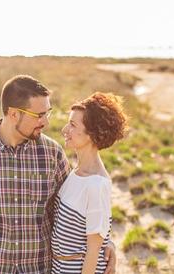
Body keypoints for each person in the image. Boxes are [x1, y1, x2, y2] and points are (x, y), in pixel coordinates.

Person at [0, 75, 117, 273]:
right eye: (39, 115)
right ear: (14, 114)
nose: (45, 122)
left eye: (47, 113)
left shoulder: (52, 154)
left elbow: (73, 211)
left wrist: (105, 243)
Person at [51, 92, 127, 274]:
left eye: (72, 124)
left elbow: (93, 252)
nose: (64, 130)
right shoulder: (75, 173)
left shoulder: (97, 185)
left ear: (92, 134)